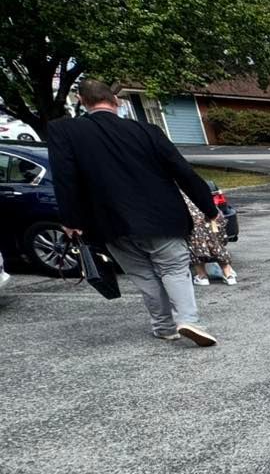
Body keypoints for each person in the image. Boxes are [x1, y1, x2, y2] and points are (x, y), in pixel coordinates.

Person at [46, 79, 220, 346]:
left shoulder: (64, 131)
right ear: (115, 101)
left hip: (110, 220)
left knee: (143, 275)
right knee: (174, 269)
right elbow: (182, 170)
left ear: (81, 100)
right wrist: (208, 208)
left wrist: (71, 219)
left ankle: (164, 326)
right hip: (162, 216)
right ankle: (188, 320)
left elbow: (65, 178)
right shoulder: (147, 130)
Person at [185, 194, 237, 286]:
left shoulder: (180, 194)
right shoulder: (197, 190)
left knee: (197, 249)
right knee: (218, 247)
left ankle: (202, 276)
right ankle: (229, 276)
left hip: (194, 224)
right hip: (211, 221)